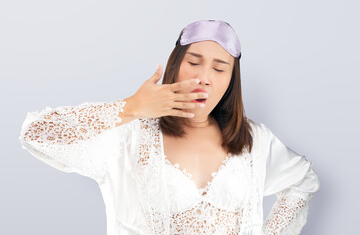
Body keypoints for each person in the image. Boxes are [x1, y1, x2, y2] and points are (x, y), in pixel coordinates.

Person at [19, 19, 320, 234]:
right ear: (175, 65)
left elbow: (303, 180)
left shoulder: (253, 139)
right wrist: (132, 107)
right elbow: (36, 133)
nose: (204, 76)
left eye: (219, 68)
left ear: (230, 80)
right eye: (194, 62)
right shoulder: (130, 135)